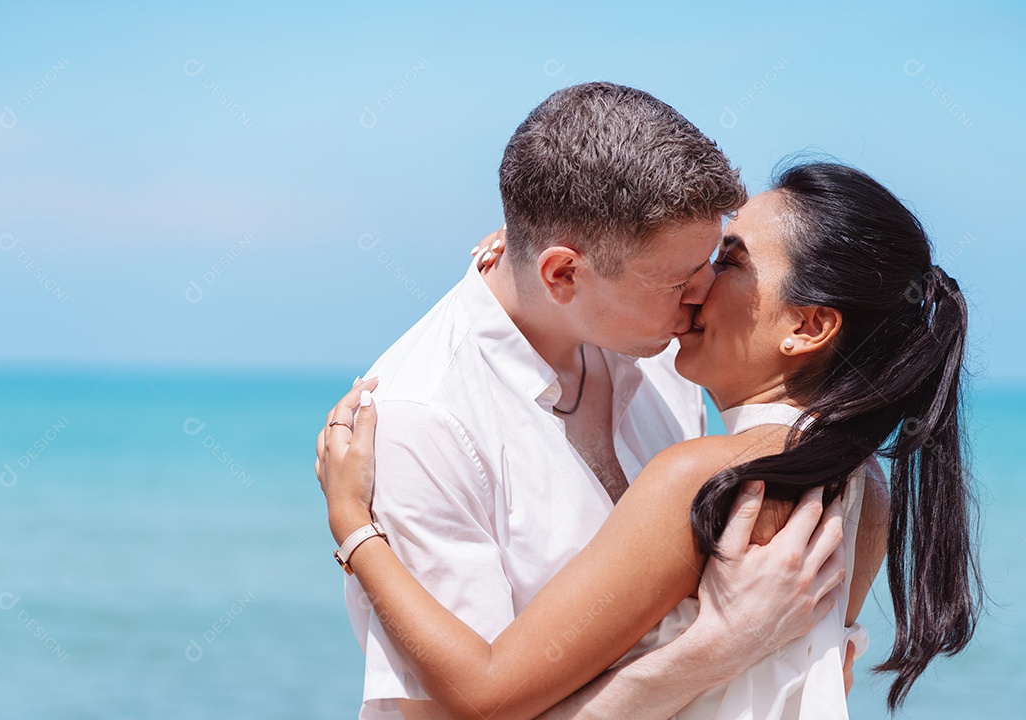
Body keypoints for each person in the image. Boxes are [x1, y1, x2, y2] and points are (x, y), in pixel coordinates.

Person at [318, 162, 982, 718]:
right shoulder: (866, 490)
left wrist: (353, 527)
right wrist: (546, 258)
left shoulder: (698, 479)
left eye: (729, 259)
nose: (699, 282)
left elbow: (485, 694)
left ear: (806, 327)